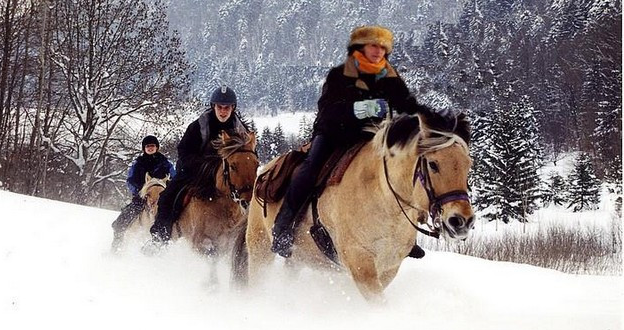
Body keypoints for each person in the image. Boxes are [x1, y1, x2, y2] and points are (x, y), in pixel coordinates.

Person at [270, 25, 431, 259]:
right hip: (333, 135)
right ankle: (282, 228)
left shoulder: (389, 75)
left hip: (371, 138)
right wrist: (359, 109)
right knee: (309, 169)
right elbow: (327, 110)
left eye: (382, 47)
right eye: (373, 46)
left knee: (400, 170)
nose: (378, 51)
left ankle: (404, 236)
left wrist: (429, 118)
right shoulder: (339, 75)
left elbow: (407, 104)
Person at [148, 85, 249, 246]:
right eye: (220, 107)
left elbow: (247, 155)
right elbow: (183, 150)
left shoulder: (240, 130)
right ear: (213, 107)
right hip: (194, 171)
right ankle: (159, 237)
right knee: (167, 197)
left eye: (227, 108)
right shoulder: (199, 126)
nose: (223, 111)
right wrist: (202, 166)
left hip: (228, 176)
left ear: (233, 108)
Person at [111, 135, 175, 250]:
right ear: (144, 149)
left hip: (163, 199)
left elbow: (174, 179)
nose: (150, 148)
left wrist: (170, 190)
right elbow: (130, 180)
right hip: (142, 197)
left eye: (153, 146)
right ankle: (116, 245)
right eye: (147, 146)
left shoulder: (166, 163)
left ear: (157, 147)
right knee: (123, 220)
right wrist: (139, 192)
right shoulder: (138, 163)